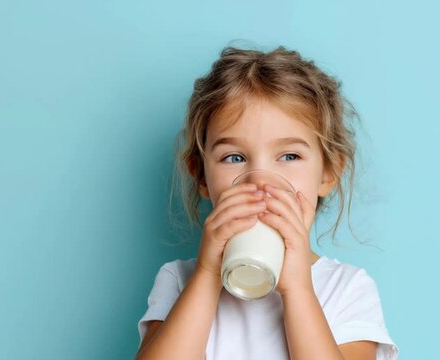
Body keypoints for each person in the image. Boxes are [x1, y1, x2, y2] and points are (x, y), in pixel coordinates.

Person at [135, 45, 399, 360]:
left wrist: (298, 289)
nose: (260, 181)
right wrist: (207, 274)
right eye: (234, 157)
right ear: (202, 177)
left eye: (290, 156)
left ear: (328, 173)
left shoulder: (346, 289)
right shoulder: (179, 281)